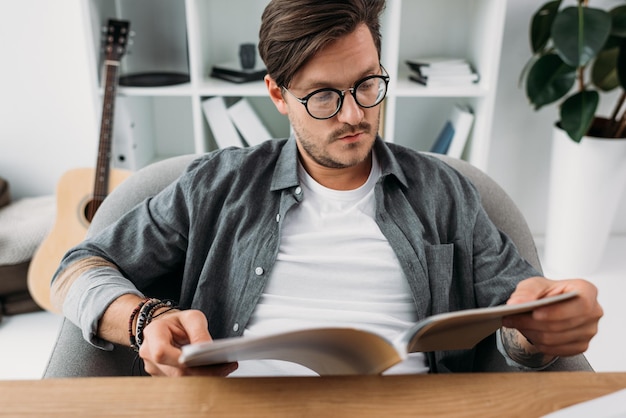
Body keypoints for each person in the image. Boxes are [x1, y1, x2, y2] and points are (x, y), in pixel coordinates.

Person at [50, 0, 603, 377]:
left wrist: (543, 325)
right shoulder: (218, 184)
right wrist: (145, 319)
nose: (354, 115)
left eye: (367, 84)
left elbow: (519, 321)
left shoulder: (444, 192)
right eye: (323, 97)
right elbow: (77, 268)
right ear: (277, 93)